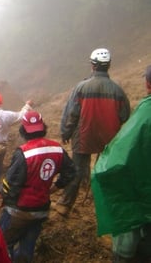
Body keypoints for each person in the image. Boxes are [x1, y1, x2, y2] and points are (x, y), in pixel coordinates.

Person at [0, 111, 76, 262]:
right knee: (27, 248)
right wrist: (53, 188)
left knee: (2, 244)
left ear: (23, 130)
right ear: (43, 128)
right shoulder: (57, 148)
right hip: (41, 209)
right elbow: (71, 172)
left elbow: (11, 184)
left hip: (18, 211)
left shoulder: (23, 153)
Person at [54, 48, 131, 216]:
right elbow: (125, 115)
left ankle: (65, 205)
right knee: (103, 170)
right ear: (108, 66)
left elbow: (71, 114)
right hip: (109, 139)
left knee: (77, 170)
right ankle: (103, 207)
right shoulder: (117, 90)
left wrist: (65, 133)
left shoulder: (81, 87)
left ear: (92, 66)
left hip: (84, 136)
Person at [91, 65, 151, 263]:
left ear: (148, 85)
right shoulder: (117, 90)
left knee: (129, 233)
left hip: (143, 201)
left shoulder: (146, 113)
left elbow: (115, 162)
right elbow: (125, 114)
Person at [0, 90, 33, 192]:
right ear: (0, 102)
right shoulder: (7, 115)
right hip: (1, 148)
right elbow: (21, 116)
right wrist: (27, 105)